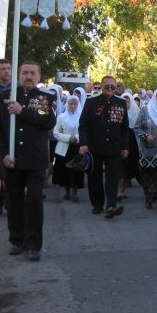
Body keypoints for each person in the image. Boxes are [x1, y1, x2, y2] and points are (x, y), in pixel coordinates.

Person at [0, 61, 56, 261]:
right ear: (18, 75)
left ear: (39, 76)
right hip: (12, 158)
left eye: (32, 73)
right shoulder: (6, 96)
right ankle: (16, 240)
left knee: (34, 200)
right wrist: (3, 153)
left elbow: (48, 122)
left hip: (35, 157)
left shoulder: (44, 97)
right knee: (14, 200)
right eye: (25, 73)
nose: (28, 76)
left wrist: (23, 111)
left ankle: (33, 244)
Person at [79, 76, 129, 218]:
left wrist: (125, 147)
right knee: (94, 178)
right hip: (95, 146)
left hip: (114, 146)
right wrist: (83, 143)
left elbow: (125, 128)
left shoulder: (121, 102)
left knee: (112, 177)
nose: (110, 88)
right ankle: (97, 204)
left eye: (113, 86)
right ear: (101, 86)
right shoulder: (91, 102)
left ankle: (111, 205)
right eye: (107, 86)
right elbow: (83, 125)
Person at [52, 95, 84, 202]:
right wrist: (68, 138)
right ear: (67, 104)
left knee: (76, 170)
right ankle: (67, 192)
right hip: (64, 147)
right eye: (71, 104)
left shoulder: (81, 116)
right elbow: (56, 133)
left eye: (75, 104)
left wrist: (76, 138)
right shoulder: (61, 117)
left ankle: (75, 193)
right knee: (65, 170)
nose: (72, 106)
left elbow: (84, 131)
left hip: (76, 147)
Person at [0, 58, 11, 218]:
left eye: (8, 68)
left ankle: (11, 202)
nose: (6, 71)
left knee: (12, 169)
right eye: (3, 69)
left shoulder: (17, 88)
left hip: (13, 132)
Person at [117, 92, 140, 199]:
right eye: (124, 101)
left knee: (129, 166)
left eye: (128, 101)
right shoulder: (117, 112)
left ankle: (123, 188)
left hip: (133, 142)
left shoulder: (137, 112)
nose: (126, 103)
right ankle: (118, 190)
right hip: (119, 141)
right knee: (120, 166)